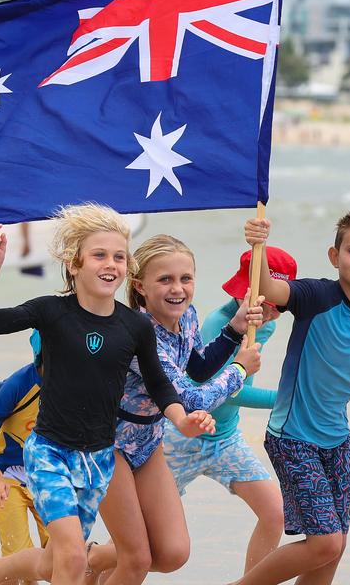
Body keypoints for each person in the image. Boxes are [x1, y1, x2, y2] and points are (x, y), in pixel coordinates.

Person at [0, 205, 216, 585]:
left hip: (97, 459)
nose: (110, 263)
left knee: (61, 563)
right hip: (50, 451)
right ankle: (0, 569)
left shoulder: (134, 326)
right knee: (69, 555)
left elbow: (160, 384)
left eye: (118, 255)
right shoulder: (51, 311)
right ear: (74, 263)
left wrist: (183, 419)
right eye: (99, 254)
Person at [83, 235, 265, 585]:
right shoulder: (137, 332)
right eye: (165, 279)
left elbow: (195, 368)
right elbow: (187, 399)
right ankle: (94, 563)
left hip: (148, 440)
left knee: (172, 554)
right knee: (137, 559)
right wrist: (240, 369)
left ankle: (91, 559)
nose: (177, 289)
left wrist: (234, 329)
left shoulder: (188, 316)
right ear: (140, 285)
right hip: (106, 443)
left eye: (186, 278)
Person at [232, 211, 350, 585]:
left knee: (331, 551)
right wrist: (258, 245)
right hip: (292, 437)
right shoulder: (316, 296)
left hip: (337, 441)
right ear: (334, 255)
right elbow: (272, 291)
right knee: (325, 542)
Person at [162, 247, 298, 577]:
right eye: (264, 303)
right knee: (149, 540)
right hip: (182, 439)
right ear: (243, 292)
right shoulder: (216, 324)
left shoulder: (265, 326)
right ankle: (95, 559)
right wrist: (287, 399)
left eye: (278, 306)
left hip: (225, 440)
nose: (270, 314)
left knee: (275, 514)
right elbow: (217, 395)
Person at [0, 357, 47, 570]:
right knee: (19, 562)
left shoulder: (70, 382)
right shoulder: (17, 385)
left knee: (65, 554)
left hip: (48, 477)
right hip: (9, 478)